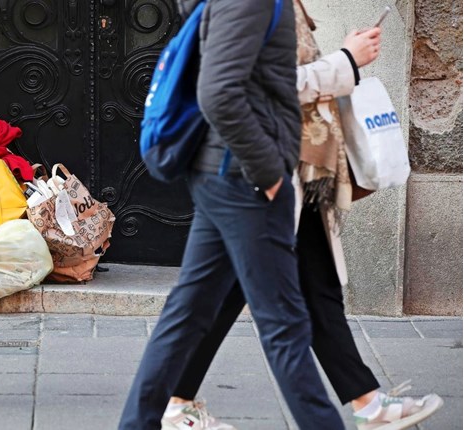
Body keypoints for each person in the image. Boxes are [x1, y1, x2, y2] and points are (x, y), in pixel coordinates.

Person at [160, 2, 444, 430]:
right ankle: (171, 401)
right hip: (269, 173)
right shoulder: (249, 5)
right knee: (256, 307)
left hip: (301, 167)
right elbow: (259, 88)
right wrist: (345, 61)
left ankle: (367, 402)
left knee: (310, 284)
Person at [118, 0, 345, 429]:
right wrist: (268, 173)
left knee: (186, 315)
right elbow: (219, 92)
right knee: (284, 327)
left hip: (227, 176)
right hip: (244, 182)